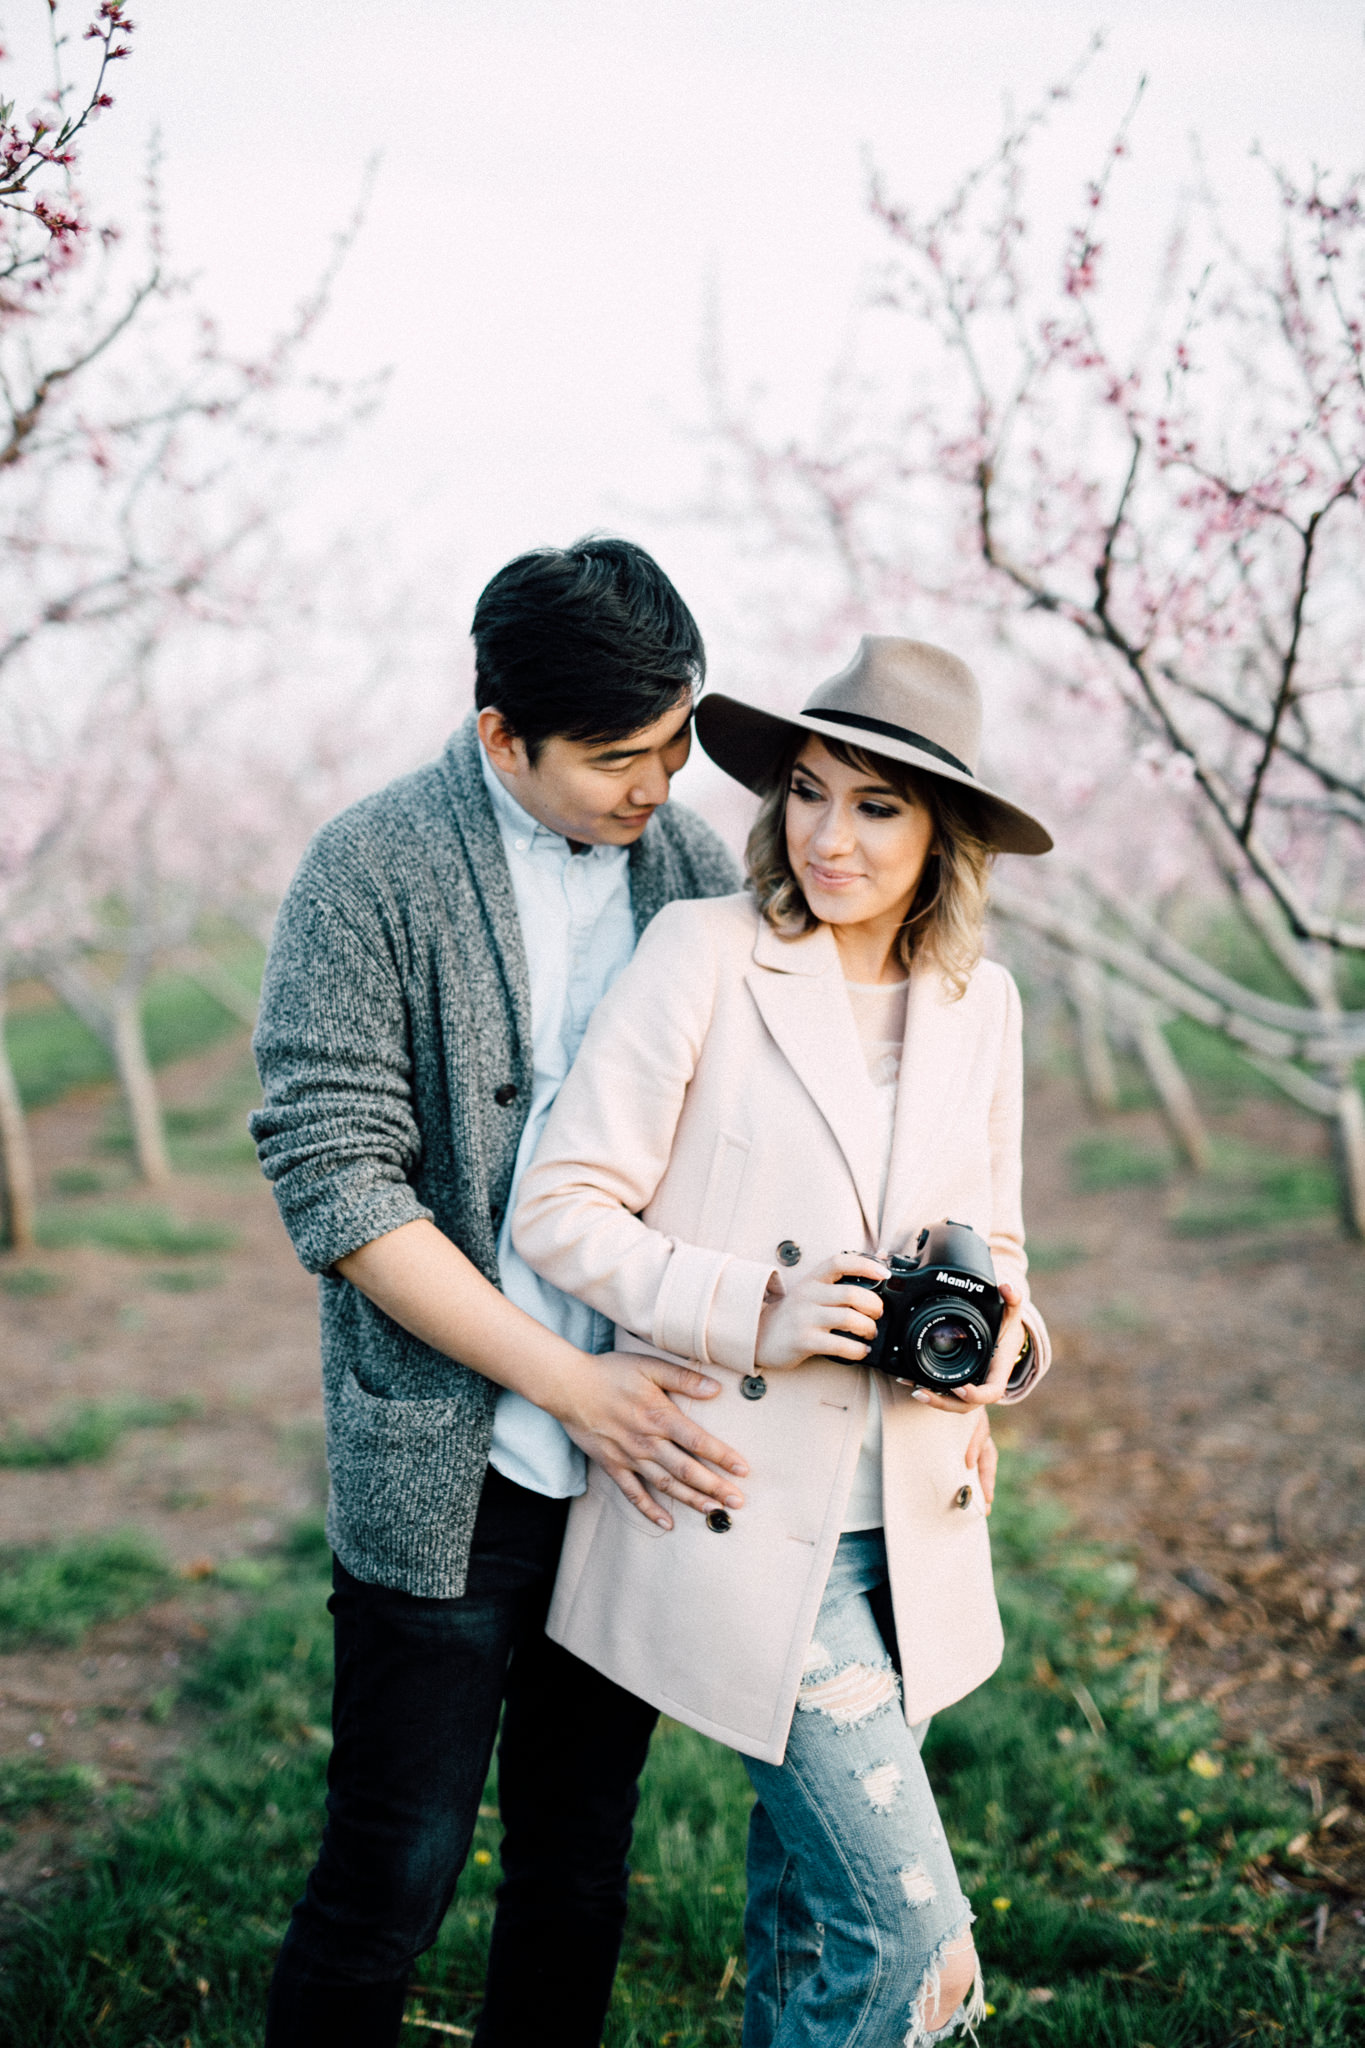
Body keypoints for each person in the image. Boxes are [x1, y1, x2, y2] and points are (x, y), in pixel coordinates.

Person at [249, 536, 760, 2048]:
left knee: (578, 1863)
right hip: (453, 1459)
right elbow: (340, 1185)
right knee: (387, 1872)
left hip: (638, 1467)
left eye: (674, 745)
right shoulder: (369, 869)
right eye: (617, 758)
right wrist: (564, 1381)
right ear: (499, 736)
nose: (656, 787)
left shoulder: (691, 869)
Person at [513, 635, 1055, 2047]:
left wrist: (1003, 1349)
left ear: (940, 831)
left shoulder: (976, 1004)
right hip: (744, 1500)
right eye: (808, 792)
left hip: (914, 1519)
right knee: (914, 1944)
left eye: (875, 806)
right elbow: (561, 1210)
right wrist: (757, 1305)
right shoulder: (701, 954)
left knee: (810, 1921)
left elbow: (993, 1241)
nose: (826, 835)